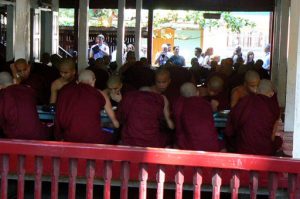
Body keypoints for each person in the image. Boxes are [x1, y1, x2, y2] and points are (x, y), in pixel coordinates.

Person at [55, 70, 119, 143]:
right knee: (114, 134)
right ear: (93, 81)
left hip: (69, 137)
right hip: (93, 139)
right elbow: (115, 123)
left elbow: (58, 117)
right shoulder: (100, 93)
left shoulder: (65, 91)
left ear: (78, 82)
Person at [225, 79, 282, 155]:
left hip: (244, 149)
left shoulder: (245, 101)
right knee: (279, 141)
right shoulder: (272, 106)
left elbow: (232, 123)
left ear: (257, 90)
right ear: (271, 93)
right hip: (265, 151)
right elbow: (272, 136)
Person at [0, 72, 49, 140]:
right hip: (38, 135)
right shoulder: (28, 90)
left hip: (16, 137)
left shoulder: (3, 95)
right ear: (14, 80)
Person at [173, 83, 220, 151]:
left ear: (181, 95)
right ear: (197, 93)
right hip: (211, 145)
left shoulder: (179, 105)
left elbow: (178, 128)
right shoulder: (206, 104)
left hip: (190, 147)